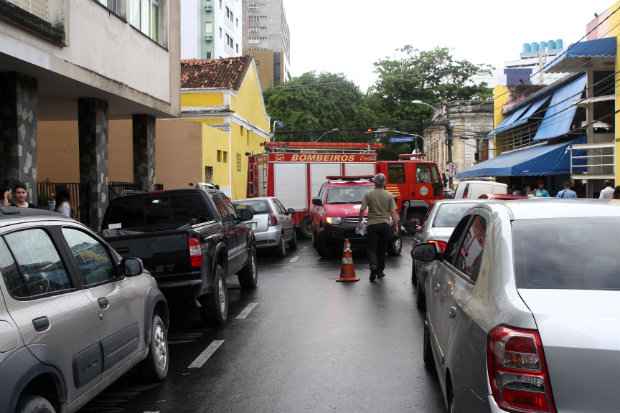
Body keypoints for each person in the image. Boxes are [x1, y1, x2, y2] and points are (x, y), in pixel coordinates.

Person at [359, 173, 400, 282]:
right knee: (382, 249)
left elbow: (362, 209)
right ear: (384, 183)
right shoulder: (389, 195)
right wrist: (396, 225)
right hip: (385, 226)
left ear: (375, 183)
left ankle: (373, 266)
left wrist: (360, 222)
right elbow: (393, 213)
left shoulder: (368, 194)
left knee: (371, 248)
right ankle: (380, 271)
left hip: (372, 225)